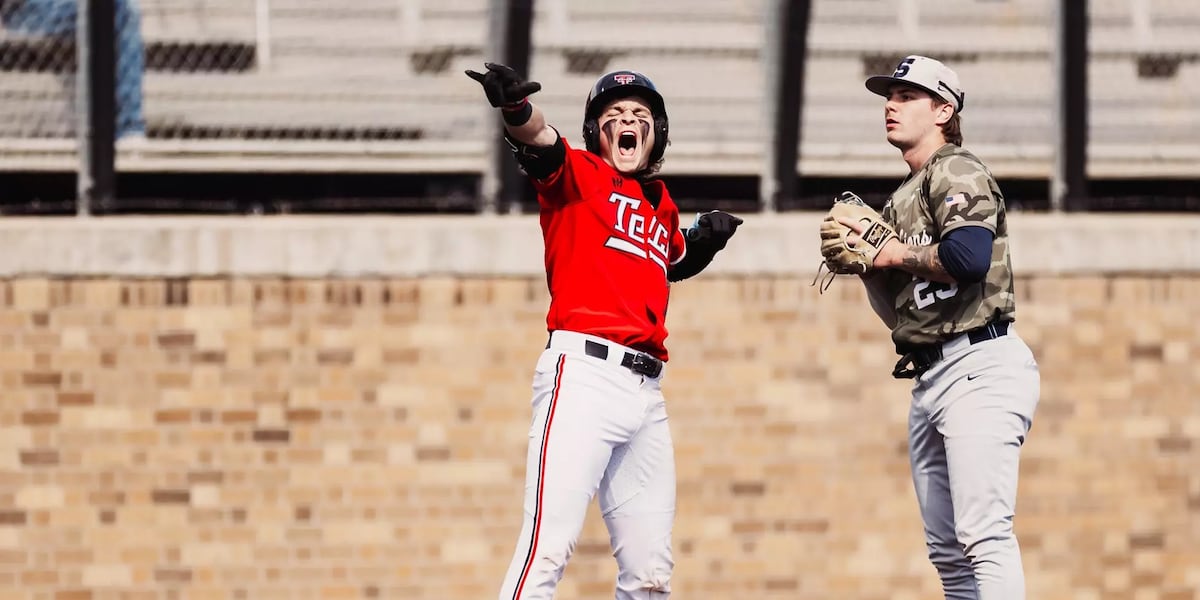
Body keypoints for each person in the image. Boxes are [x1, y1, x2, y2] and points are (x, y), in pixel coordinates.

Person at [466, 62, 743, 599]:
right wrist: (516, 108)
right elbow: (539, 142)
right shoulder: (579, 175)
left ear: (657, 132)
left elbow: (673, 259)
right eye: (615, 113)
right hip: (584, 378)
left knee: (650, 575)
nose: (628, 120)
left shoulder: (660, 204)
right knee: (546, 550)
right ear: (597, 131)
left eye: (640, 113)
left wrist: (704, 240)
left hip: (646, 392)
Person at [823, 55, 1040, 599]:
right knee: (947, 550)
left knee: (984, 536)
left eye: (907, 96)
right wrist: (868, 269)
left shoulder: (956, 168)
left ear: (944, 110)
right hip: (931, 375)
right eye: (889, 97)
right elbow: (901, 317)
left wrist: (891, 253)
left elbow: (968, 258)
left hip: (980, 365)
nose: (891, 105)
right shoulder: (902, 197)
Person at [1, 0, 146, 140]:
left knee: (120, 7)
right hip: (27, 11)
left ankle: (125, 129)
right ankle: (128, 128)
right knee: (120, 6)